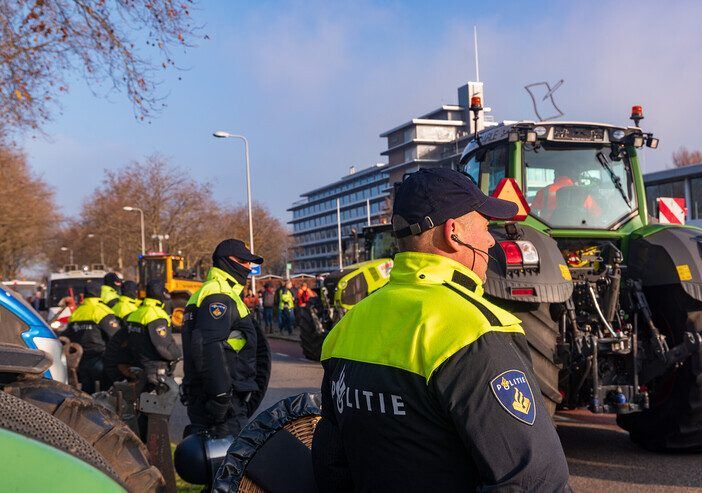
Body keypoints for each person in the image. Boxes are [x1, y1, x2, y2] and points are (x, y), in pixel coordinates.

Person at [312, 168, 570, 492]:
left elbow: (331, 463)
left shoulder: (349, 325)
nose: (491, 240)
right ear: (454, 233)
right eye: (485, 226)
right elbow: (532, 481)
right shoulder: (476, 332)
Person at [181, 239, 271, 438]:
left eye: (249, 262)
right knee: (227, 465)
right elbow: (207, 345)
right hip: (222, 408)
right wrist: (220, 397)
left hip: (215, 400)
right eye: (243, 261)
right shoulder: (219, 295)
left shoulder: (214, 292)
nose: (248, 266)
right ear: (226, 261)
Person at [61, 281, 120, 393]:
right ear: (99, 294)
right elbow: (116, 336)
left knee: (87, 394)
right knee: (104, 395)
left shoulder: (77, 313)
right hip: (100, 360)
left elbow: (69, 335)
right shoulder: (103, 311)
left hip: (80, 362)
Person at [126, 280, 181, 386]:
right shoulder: (157, 315)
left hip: (138, 364)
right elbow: (162, 346)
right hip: (155, 368)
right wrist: (177, 355)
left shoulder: (136, 313)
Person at [103, 280, 140, 384]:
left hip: (111, 351)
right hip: (126, 356)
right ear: (134, 292)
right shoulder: (133, 310)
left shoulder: (114, 307)